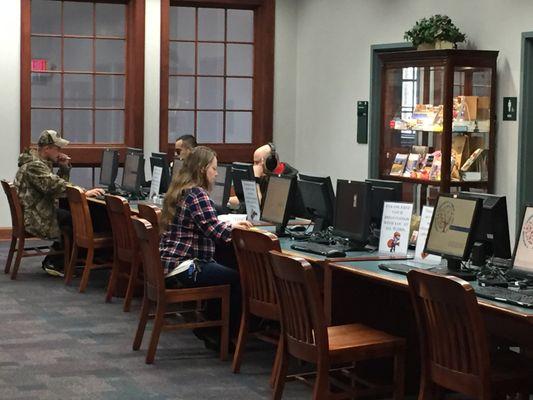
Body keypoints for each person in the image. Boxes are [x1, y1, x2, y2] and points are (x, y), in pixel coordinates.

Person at [159, 146, 252, 347]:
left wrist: (230, 225)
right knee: (237, 279)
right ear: (202, 169)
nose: (216, 174)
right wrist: (237, 230)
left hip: (171, 261)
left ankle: (209, 327)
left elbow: (208, 224)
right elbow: (216, 232)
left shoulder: (180, 190)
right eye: (214, 169)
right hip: (186, 265)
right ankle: (220, 335)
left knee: (220, 266)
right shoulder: (197, 194)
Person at [14, 130, 104, 277]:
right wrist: (83, 193)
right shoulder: (34, 166)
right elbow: (54, 186)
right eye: (57, 148)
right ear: (47, 148)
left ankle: (65, 258)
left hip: (39, 210)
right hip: (37, 217)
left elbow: (52, 185)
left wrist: (63, 168)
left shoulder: (38, 162)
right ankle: (57, 261)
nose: (60, 152)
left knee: (74, 215)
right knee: (78, 220)